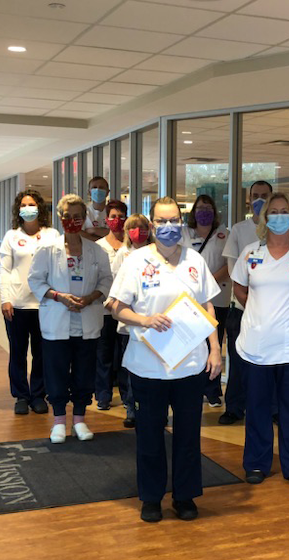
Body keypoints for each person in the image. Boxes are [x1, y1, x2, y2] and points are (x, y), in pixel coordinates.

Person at [109, 197, 222, 523]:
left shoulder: (194, 261)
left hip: (189, 365)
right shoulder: (136, 260)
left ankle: (185, 496)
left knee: (188, 435)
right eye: (162, 221)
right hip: (148, 366)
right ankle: (151, 497)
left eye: (174, 220)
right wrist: (144, 320)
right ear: (152, 225)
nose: (168, 227)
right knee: (149, 436)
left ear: (181, 223)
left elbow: (207, 307)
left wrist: (215, 348)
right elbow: (116, 306)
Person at [232, 192, 289, 487]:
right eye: (273, 211)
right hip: (256, 347)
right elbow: (238, 288)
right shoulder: (250, 252)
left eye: (285, 211)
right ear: (264, 217)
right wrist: (259, 313)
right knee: (257, 408)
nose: (279, 216)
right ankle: (256, 464)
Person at [28, 194, 112, 443]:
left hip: (87, 319)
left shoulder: (97, 251)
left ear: (85, 218)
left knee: (84, 373)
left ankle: (79, 419)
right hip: (57, 320)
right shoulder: (47, 250)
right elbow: (35, 280)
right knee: (56, 372)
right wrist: (59, 296)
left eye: (78, 217)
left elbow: (107, 280)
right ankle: (58, 421)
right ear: (60, 217)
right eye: (68, 216)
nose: (73, 221)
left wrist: (91, 297)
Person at [0, 189, 59, 416]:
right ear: (18, 210)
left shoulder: (52, 235)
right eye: (23, 204)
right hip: (17, 304)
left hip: (45, 303)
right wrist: (5, 299)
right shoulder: (11, 236)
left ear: (40, 207)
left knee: (42, 353)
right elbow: (4, 270)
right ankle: (21, 396)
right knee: (17, 352)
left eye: (32, 203)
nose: (28, 208)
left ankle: (38, 395)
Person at [219, 180, 273, 425]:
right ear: (249, 199)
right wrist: (247, 296)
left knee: (271, 362)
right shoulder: (239, 230)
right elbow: (233, 270)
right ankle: (234, 407)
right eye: (256, 195)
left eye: (265, 195)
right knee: (238, 360)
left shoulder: (282, 230)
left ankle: (272, 409)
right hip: (241, 308)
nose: (260, 199)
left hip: (272, 311)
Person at [106, 213, 154, 428]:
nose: (138, 232)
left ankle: (148, 406)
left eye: (142, 227)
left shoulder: (156, 253)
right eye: (133, 228)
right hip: (127, 322)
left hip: (151, 321)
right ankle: (130, 407)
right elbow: (115, 284)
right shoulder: (123, 254)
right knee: (128, 368)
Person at [186, 194, 231, 407]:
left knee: (214, 342)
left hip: (217, 297)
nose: (204, 211)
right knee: (192, 343)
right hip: (188, 300)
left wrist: (208, 282)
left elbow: (229, 264)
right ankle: (193, 387)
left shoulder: (224, 234)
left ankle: (213, 390)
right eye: (200, 207)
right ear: (193, 212)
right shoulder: (185, 234)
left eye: (208, 207)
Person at [95, 200, 128, 411]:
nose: (117, 221)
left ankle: (126, 396)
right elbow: (96, 278)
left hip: (125, 310)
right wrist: (107, 302)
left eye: (121, 217)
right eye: (113, 216)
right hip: (104, 309)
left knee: (125, 355)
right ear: (107, 219)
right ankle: (103, 395)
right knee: (104, 353)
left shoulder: (131, 247)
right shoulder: (98, 246)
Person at [84, 176, 110, 241]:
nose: (98, 190)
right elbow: (80, 234)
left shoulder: (112, 212)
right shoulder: (83, 211)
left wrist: (93, 230)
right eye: (94, 187)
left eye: (101, 187)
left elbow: (117, 234)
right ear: (89, 192)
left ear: (107, 192)